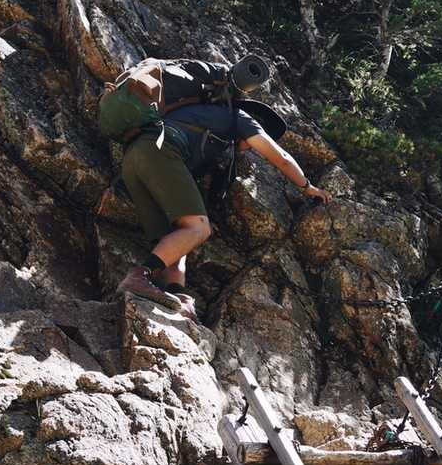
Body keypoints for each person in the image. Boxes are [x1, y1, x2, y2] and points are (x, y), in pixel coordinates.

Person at [109, 57, 329, 320]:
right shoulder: (240, 119)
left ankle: (178, 296)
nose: (248, 150)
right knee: (198, 229)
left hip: (134, 159)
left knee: (181, 235)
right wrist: (308, 187)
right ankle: (139, 276)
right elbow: (280, 158)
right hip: (158, 151)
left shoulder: (208, 127)